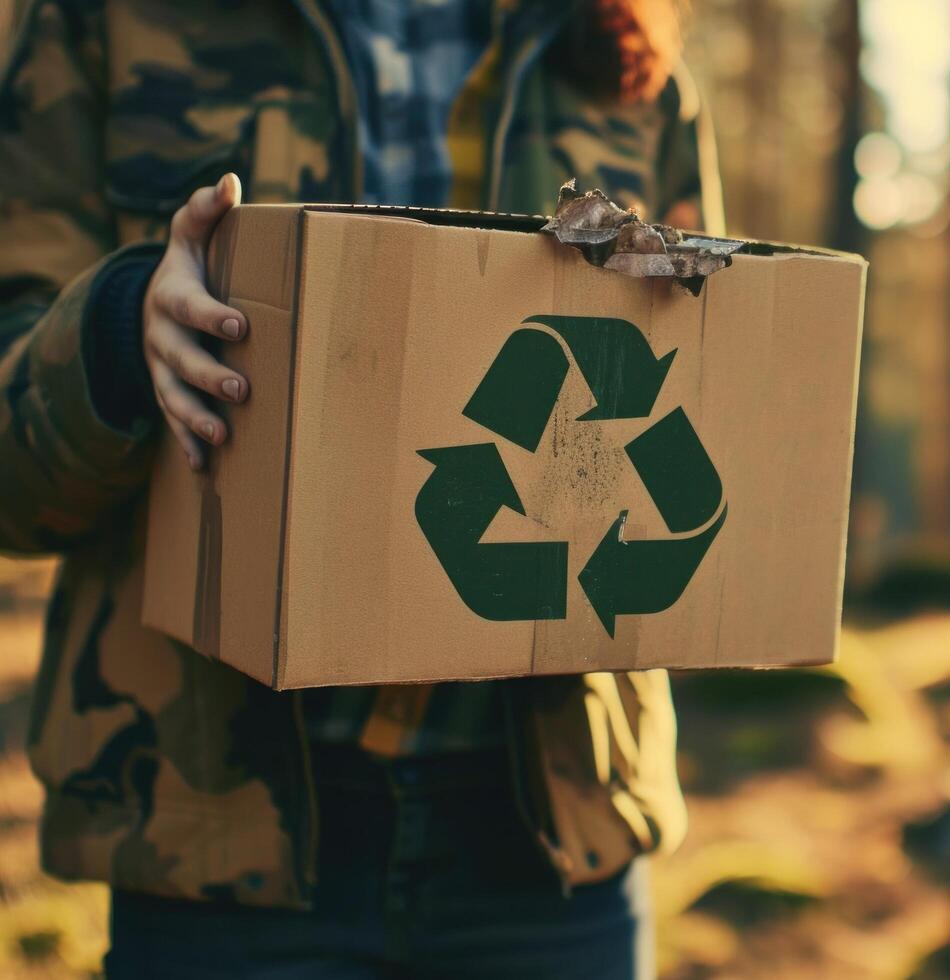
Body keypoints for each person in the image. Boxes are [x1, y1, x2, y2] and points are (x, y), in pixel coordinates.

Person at [0, 1, 720, 975]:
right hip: (220, 844)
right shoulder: (105, 20)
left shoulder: (619, 46)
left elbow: (701, 381)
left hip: (551, 839)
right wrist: (122, 333)